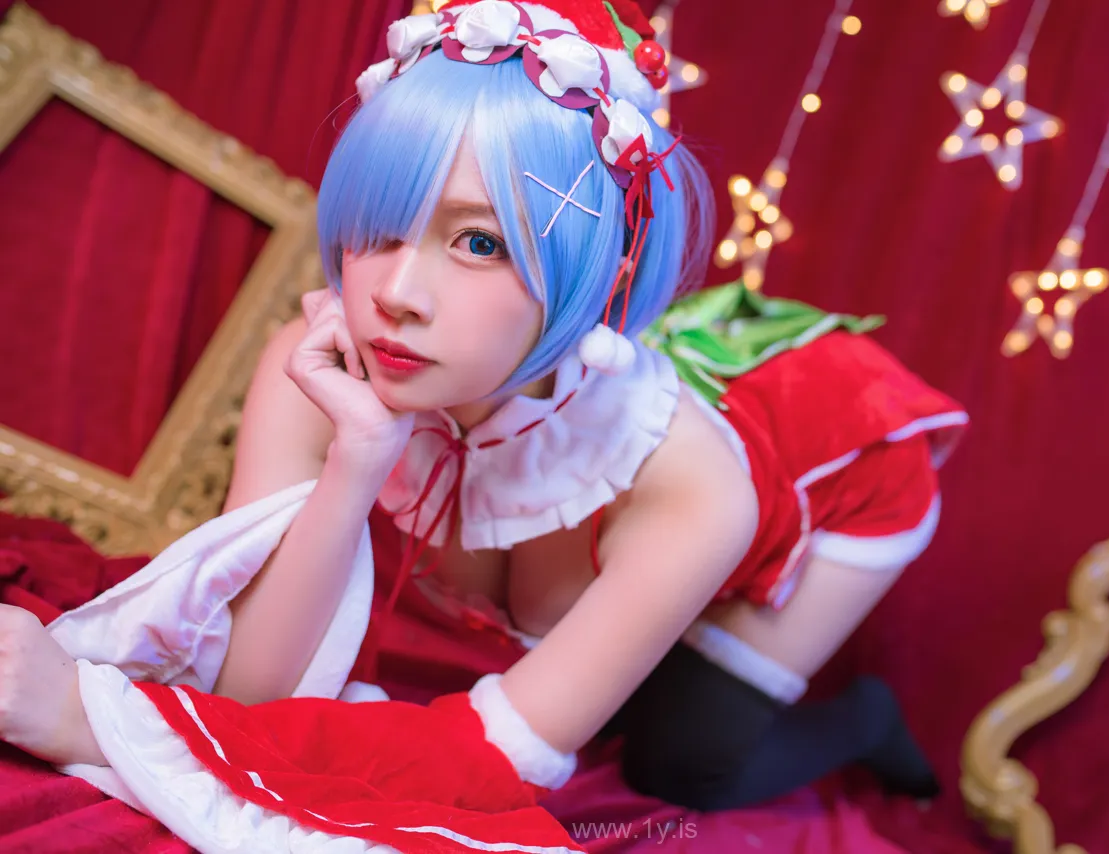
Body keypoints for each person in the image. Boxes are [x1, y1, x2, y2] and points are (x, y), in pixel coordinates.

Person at [0, 1, 967, 849]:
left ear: (600, 270)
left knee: (681, 761)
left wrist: (92, 720)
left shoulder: (691, 485)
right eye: (381, 226)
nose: (396, 294)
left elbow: (499, 762)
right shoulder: (319, 364)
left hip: (843, 471)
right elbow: (249, 695)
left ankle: (866, 719)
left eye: (477, 241)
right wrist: (355, 465)